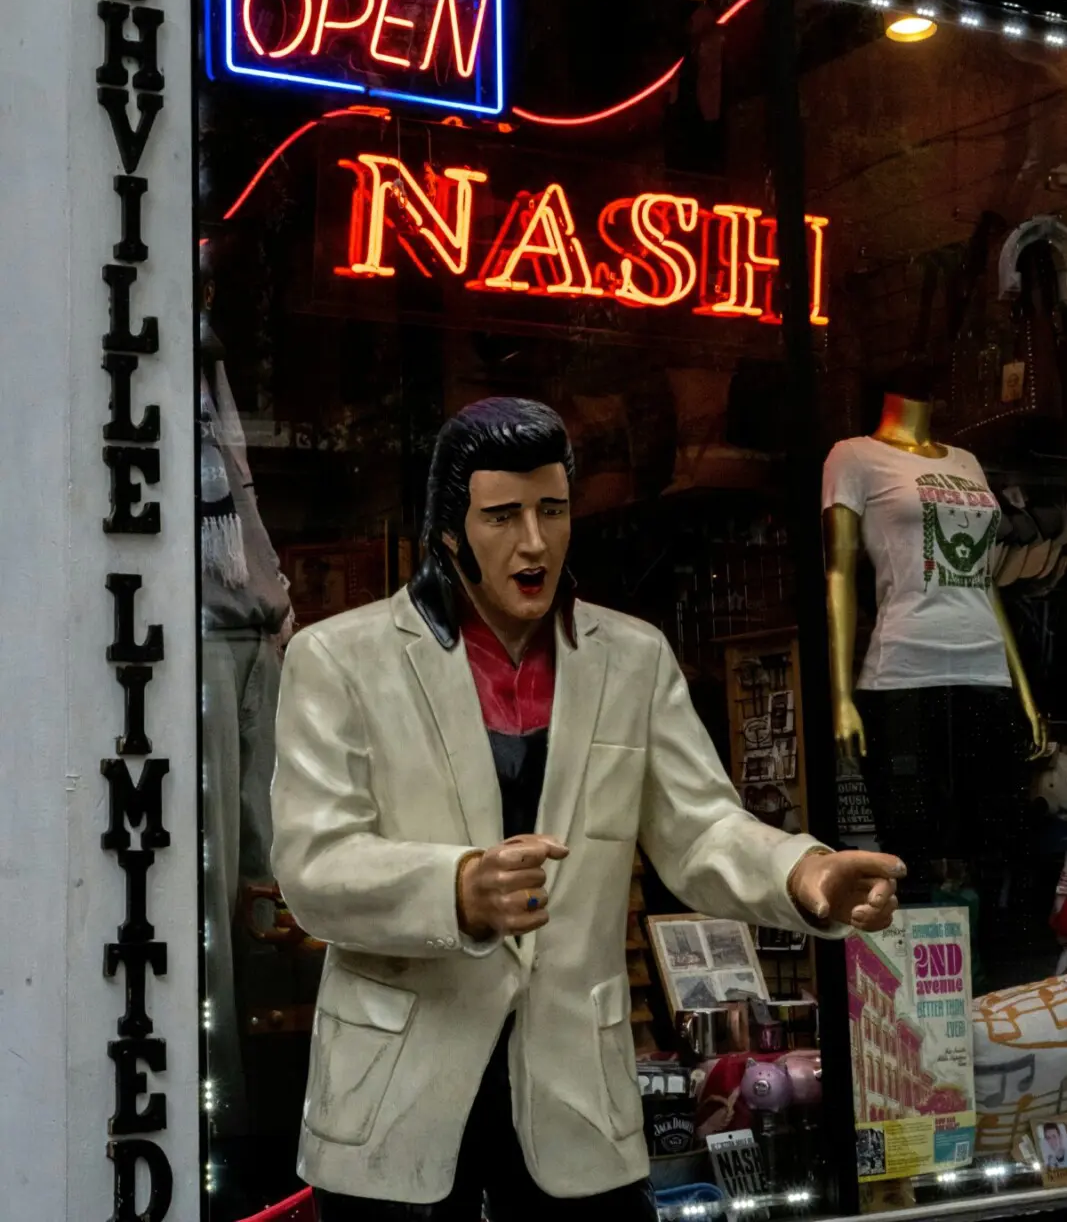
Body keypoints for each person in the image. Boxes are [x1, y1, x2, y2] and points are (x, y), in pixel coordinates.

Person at [271, 398, 904, 1219]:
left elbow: (701, 827)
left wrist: (802, 872)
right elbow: (314, 867)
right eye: (502, 516)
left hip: (573, 1088)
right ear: (450, 530)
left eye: (552, 511)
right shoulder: (339, 660)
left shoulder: (631, 659)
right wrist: (455, 888)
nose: (533, 542)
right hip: (395, 1091)